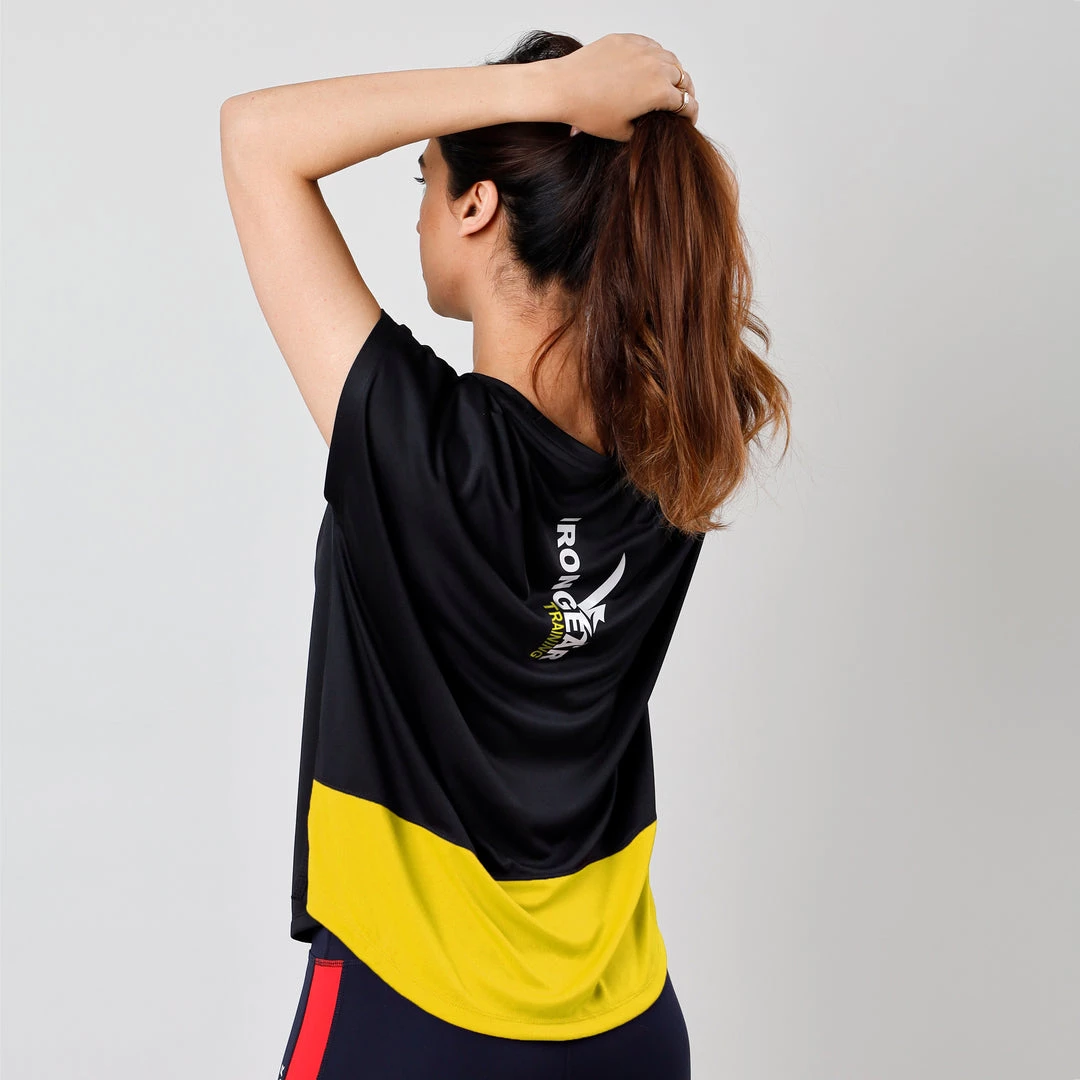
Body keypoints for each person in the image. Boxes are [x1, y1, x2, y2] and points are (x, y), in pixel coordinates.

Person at [221, 29, 790, 1080]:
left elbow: (255, 137)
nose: (420, 208)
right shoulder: (678, 456)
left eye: (427, 179)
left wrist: (545, 89)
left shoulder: (416, 449)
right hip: (625, 1030)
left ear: (478, 206)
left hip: (409, 1023)